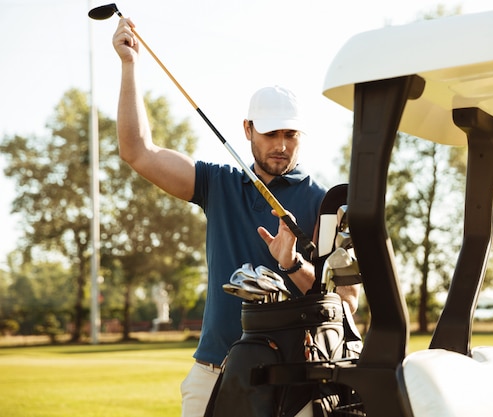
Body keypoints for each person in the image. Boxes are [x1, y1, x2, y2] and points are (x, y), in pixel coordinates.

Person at [112, 18, 359, 417]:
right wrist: (129, 65)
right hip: (215, 371)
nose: (281, 145)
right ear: (247, 130)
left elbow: (346, 304)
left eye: (291, 135)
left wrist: (293, 265)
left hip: (296, 380)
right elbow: (137, 151)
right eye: (270, 133)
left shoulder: (327, 202)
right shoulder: (218, 183)